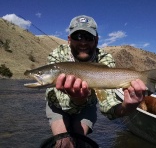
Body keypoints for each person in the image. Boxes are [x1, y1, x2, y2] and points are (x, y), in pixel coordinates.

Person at [45, 15, 147, 146]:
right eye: (78, 37)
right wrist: (77, 99)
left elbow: (107, 105)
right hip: (57, 106)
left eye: (88, 37)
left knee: (79, 142)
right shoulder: (57, 55)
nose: (83, 42)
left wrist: (128, 107)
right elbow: (56, 98)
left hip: (87, 106)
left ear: (96, 40)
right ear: (69, 39)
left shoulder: (104, 58)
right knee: (63, 142)